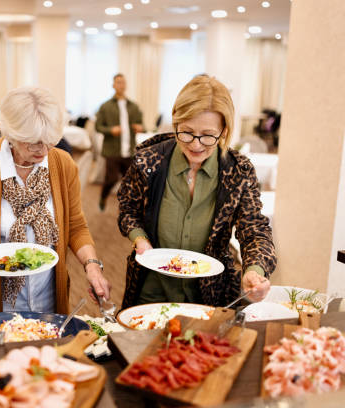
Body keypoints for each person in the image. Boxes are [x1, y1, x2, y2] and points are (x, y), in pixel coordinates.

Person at [0, 86, 112, 325]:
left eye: (48, 141)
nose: (43, 150)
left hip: (48, 296)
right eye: (33, 143)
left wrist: (92, 266)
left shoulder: (62, 165)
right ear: (11, 133)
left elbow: (76, 226)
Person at [118, 74, 275, 309]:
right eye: (187, 131)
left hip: (212, 295)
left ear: (224, 131)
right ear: (176, 122)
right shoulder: (149, 160)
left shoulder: (239, 172)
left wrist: (254, 270)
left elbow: (255, 231)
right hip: (151, 290)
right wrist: (140, 239)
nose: (196, 144)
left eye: (208, 135)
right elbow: (127, 208)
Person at [95, 73, 144, 211]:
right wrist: (111, 130)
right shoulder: (105, 106)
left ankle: (127, 207)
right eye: (118, 82)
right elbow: (98, 127)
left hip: (129, 150)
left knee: (130, 182)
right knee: (110, 179)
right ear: (113, 85)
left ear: (126, 85)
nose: (121, 85)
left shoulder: (133, 106)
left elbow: (142, 124)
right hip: (112, 150)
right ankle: (103, 197)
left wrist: (140, 127)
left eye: (123, 82)